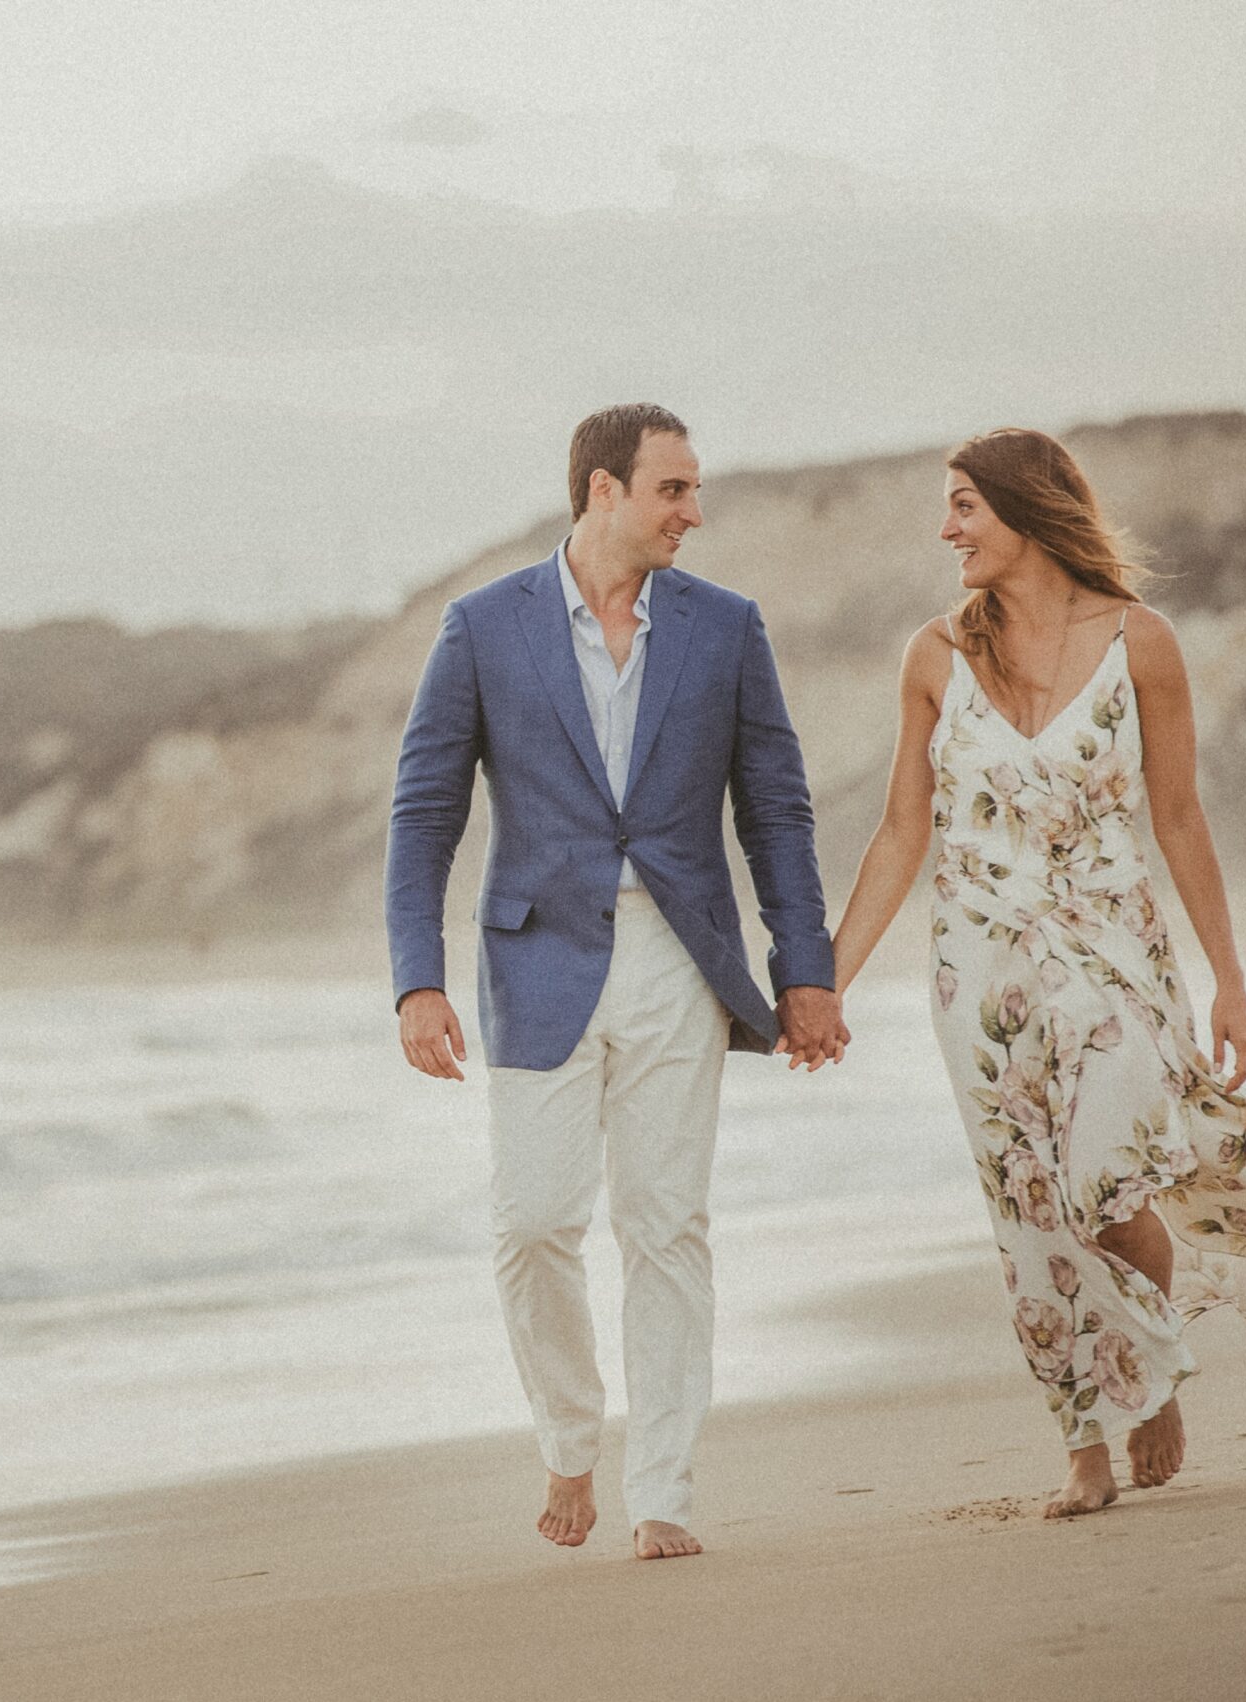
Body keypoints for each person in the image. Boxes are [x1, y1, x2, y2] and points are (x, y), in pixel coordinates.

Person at [827, 427, 1246, 1518]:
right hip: (976, 981)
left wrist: (1229, 980)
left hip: (1114, 960)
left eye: (963, 509)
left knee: (1109, 1181)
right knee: (1028, 1212)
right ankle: (1085, 1437)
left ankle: (1154, 1360)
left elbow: (1177, 815)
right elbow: (900, 832)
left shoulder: (1143, 641)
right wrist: (823, 982)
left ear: (1027, 508)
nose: (947, 531)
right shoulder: (934, 654)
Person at [386, 403, 846, 1562]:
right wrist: (414, 981)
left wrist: (806, 971)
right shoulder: (484, 626)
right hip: (536, 955)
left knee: (665, 1225)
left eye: (694, 490)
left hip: (680, 961)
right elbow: (425, 811)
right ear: (601, 491)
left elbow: (776, 812)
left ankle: (664, 1488)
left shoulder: (726, 628)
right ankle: (569, 1431)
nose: (694, 511)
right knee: (532, 1220)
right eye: (673, 489)